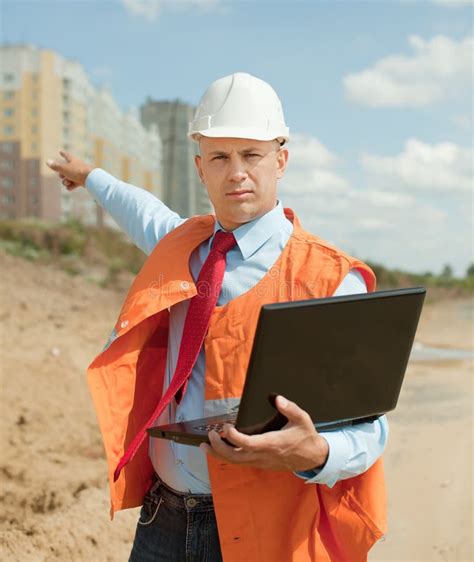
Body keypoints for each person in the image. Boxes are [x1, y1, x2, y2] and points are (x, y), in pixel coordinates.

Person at [47, 72, 388, 562]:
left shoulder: (331, 279)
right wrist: (89, 176)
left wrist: (313, 454)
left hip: (260, 528)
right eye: (220, 157)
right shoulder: (183, 244)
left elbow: (370, 427)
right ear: (200, 167)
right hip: (161, 517)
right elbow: (139, 208)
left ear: (281, 160)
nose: (237, 173)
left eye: (251, 155)